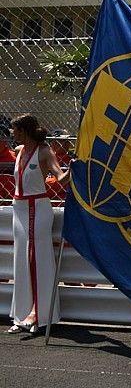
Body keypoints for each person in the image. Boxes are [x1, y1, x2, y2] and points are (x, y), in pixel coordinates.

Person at [8, 114, 70, 334]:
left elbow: (60, 178)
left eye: (14, 130)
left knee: (37, 258)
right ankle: (22, 314)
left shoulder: (44, 151)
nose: (11, 133)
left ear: (24, 130)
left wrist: (75, 168)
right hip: (19, 209)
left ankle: (39, 314)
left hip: (38, 208)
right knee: (22, 261)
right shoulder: (18, 152)